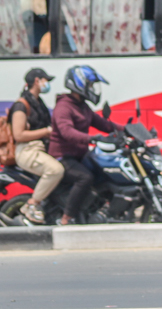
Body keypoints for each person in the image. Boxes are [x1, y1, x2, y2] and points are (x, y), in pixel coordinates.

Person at [48, 65, 123, 225]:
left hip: (79, 156)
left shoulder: (82, 106)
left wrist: (129, 130)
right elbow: (66, 131)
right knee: (85, 177)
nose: (93, 89)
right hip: (63, 156)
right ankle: (67, 217)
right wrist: (92, 139)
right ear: (78, 84)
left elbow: (104, 124)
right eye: (90, 85)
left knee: (103, 173)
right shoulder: (64, 107)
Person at [10, 68, 63, 224]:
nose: (47, 84)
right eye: (45, 80)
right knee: (55, 170)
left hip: (40, 149)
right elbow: (18, 135)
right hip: (27, 150)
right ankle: (32, 204)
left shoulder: (38, 103)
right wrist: (45, 131)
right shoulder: (21, 105)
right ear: (36, 81)